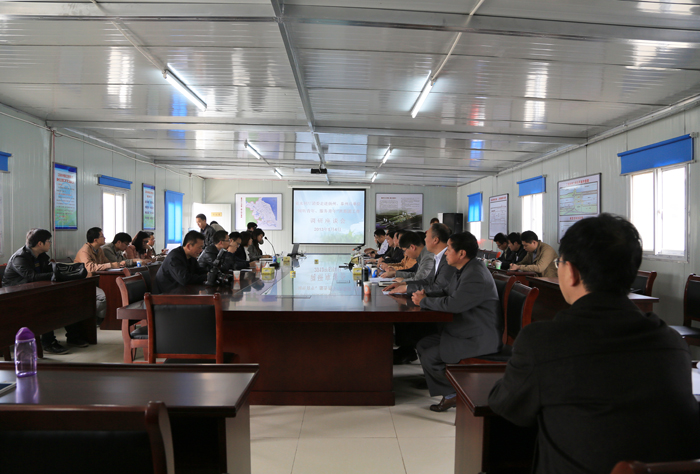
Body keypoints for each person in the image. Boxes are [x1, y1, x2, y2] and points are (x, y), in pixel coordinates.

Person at [488, 214, 700, 473]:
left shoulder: (542, 342)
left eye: (560, 263)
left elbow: (506, 406)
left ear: (571, 272)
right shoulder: (672, 343)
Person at [413, 231, 501, 412]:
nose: (445, 253)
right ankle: (440, 382)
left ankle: (453, 394)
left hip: (477, 337)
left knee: (430, 356)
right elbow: (447, 291)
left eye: (448, 249)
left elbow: (453, 304)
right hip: (464, 330)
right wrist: (426, 294)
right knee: (423, 344)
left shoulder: (475, 274)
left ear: (461, 253)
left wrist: (424, 302)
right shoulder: (466, 268)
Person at [3, 229, 90, 354]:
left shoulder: (42, 256)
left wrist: (63, 272)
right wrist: (56, 274)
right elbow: (32, 277)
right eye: (48, 241)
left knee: (68, 302)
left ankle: (73, 336)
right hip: (14, 296)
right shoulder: (20, 257)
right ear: (40, 243)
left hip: (35, 291)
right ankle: (48, 343)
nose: (50, 243)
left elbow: (48, 270)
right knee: (45, 307)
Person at [387, 223, 456, 365]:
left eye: (426, 237)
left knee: (406, 314)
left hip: (443, 308)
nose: (424, 240)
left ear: (435, 240)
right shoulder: (439, 257)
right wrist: (404, 285)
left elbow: (439, 287)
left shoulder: (447, 258)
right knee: (404, 310)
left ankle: (408, 351)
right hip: (437, 301)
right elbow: (428, 280)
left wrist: (407, 288)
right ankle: (406, 350)